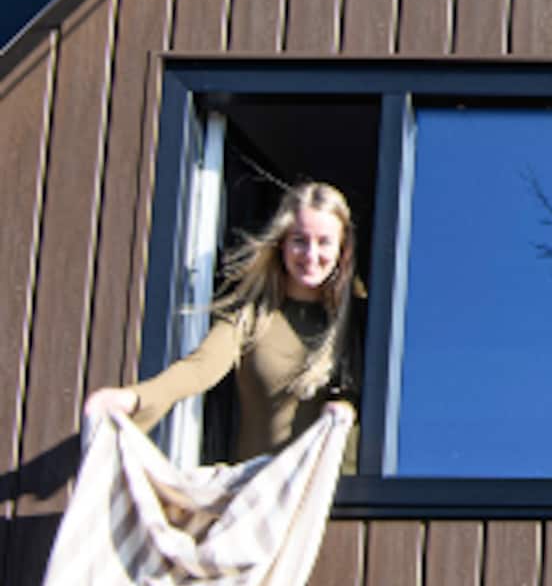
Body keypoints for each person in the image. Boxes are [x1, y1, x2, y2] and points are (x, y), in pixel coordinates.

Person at [87, 180, 360, 459]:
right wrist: (134, 399)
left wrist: (345, 409)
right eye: (300, 241)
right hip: (260, 492)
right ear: (281, 244)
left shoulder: (360, 323)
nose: (311, 255)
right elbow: (199, 368)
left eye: (324, 242)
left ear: (343, 248)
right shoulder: (252, 315)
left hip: (341, 496)